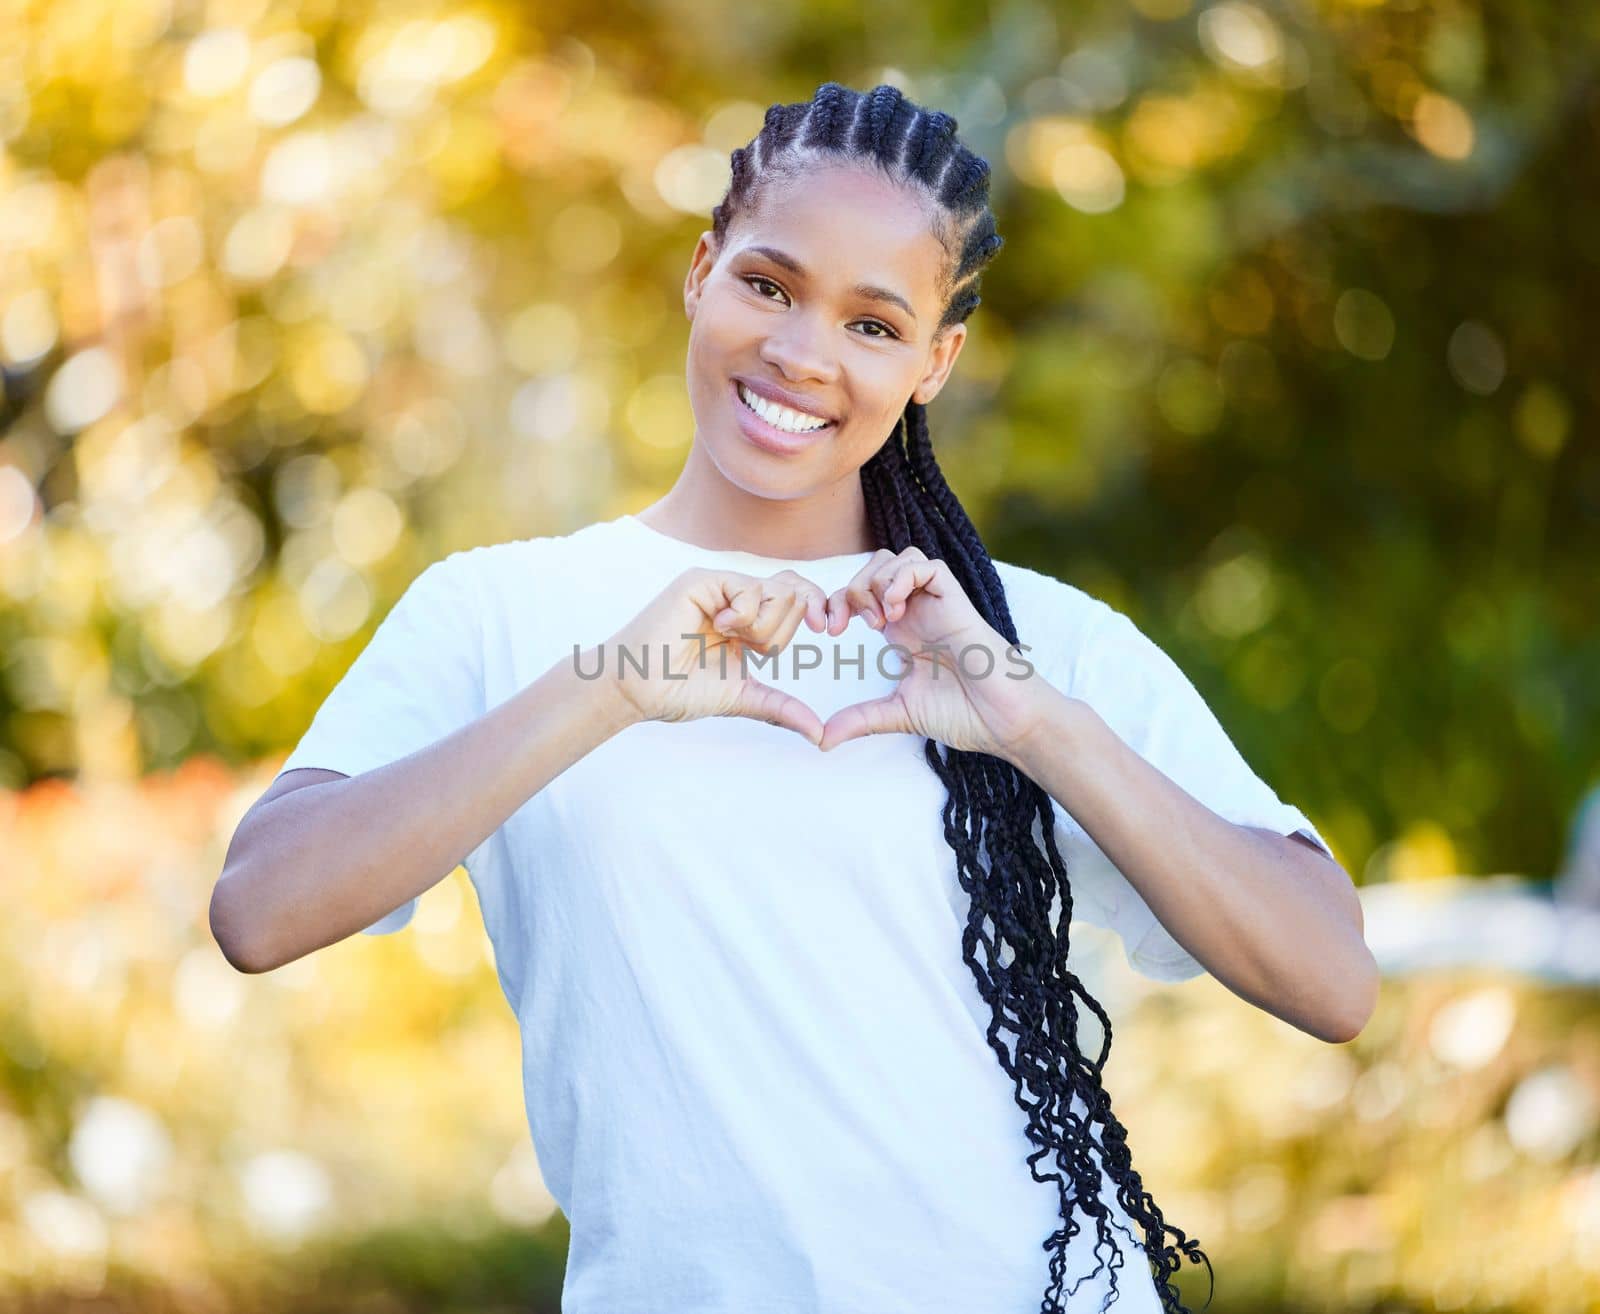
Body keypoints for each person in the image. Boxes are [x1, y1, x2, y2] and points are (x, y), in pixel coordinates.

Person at [211, 82, 1373, 1314]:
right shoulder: (502, 613)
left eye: (873, 325)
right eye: (768, 285)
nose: (802, 354)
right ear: (702, 270)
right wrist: (611, 687)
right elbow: (261, 908)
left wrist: (1032, 724)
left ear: (937, 361)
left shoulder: (1025, 641)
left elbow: (1329, 978)